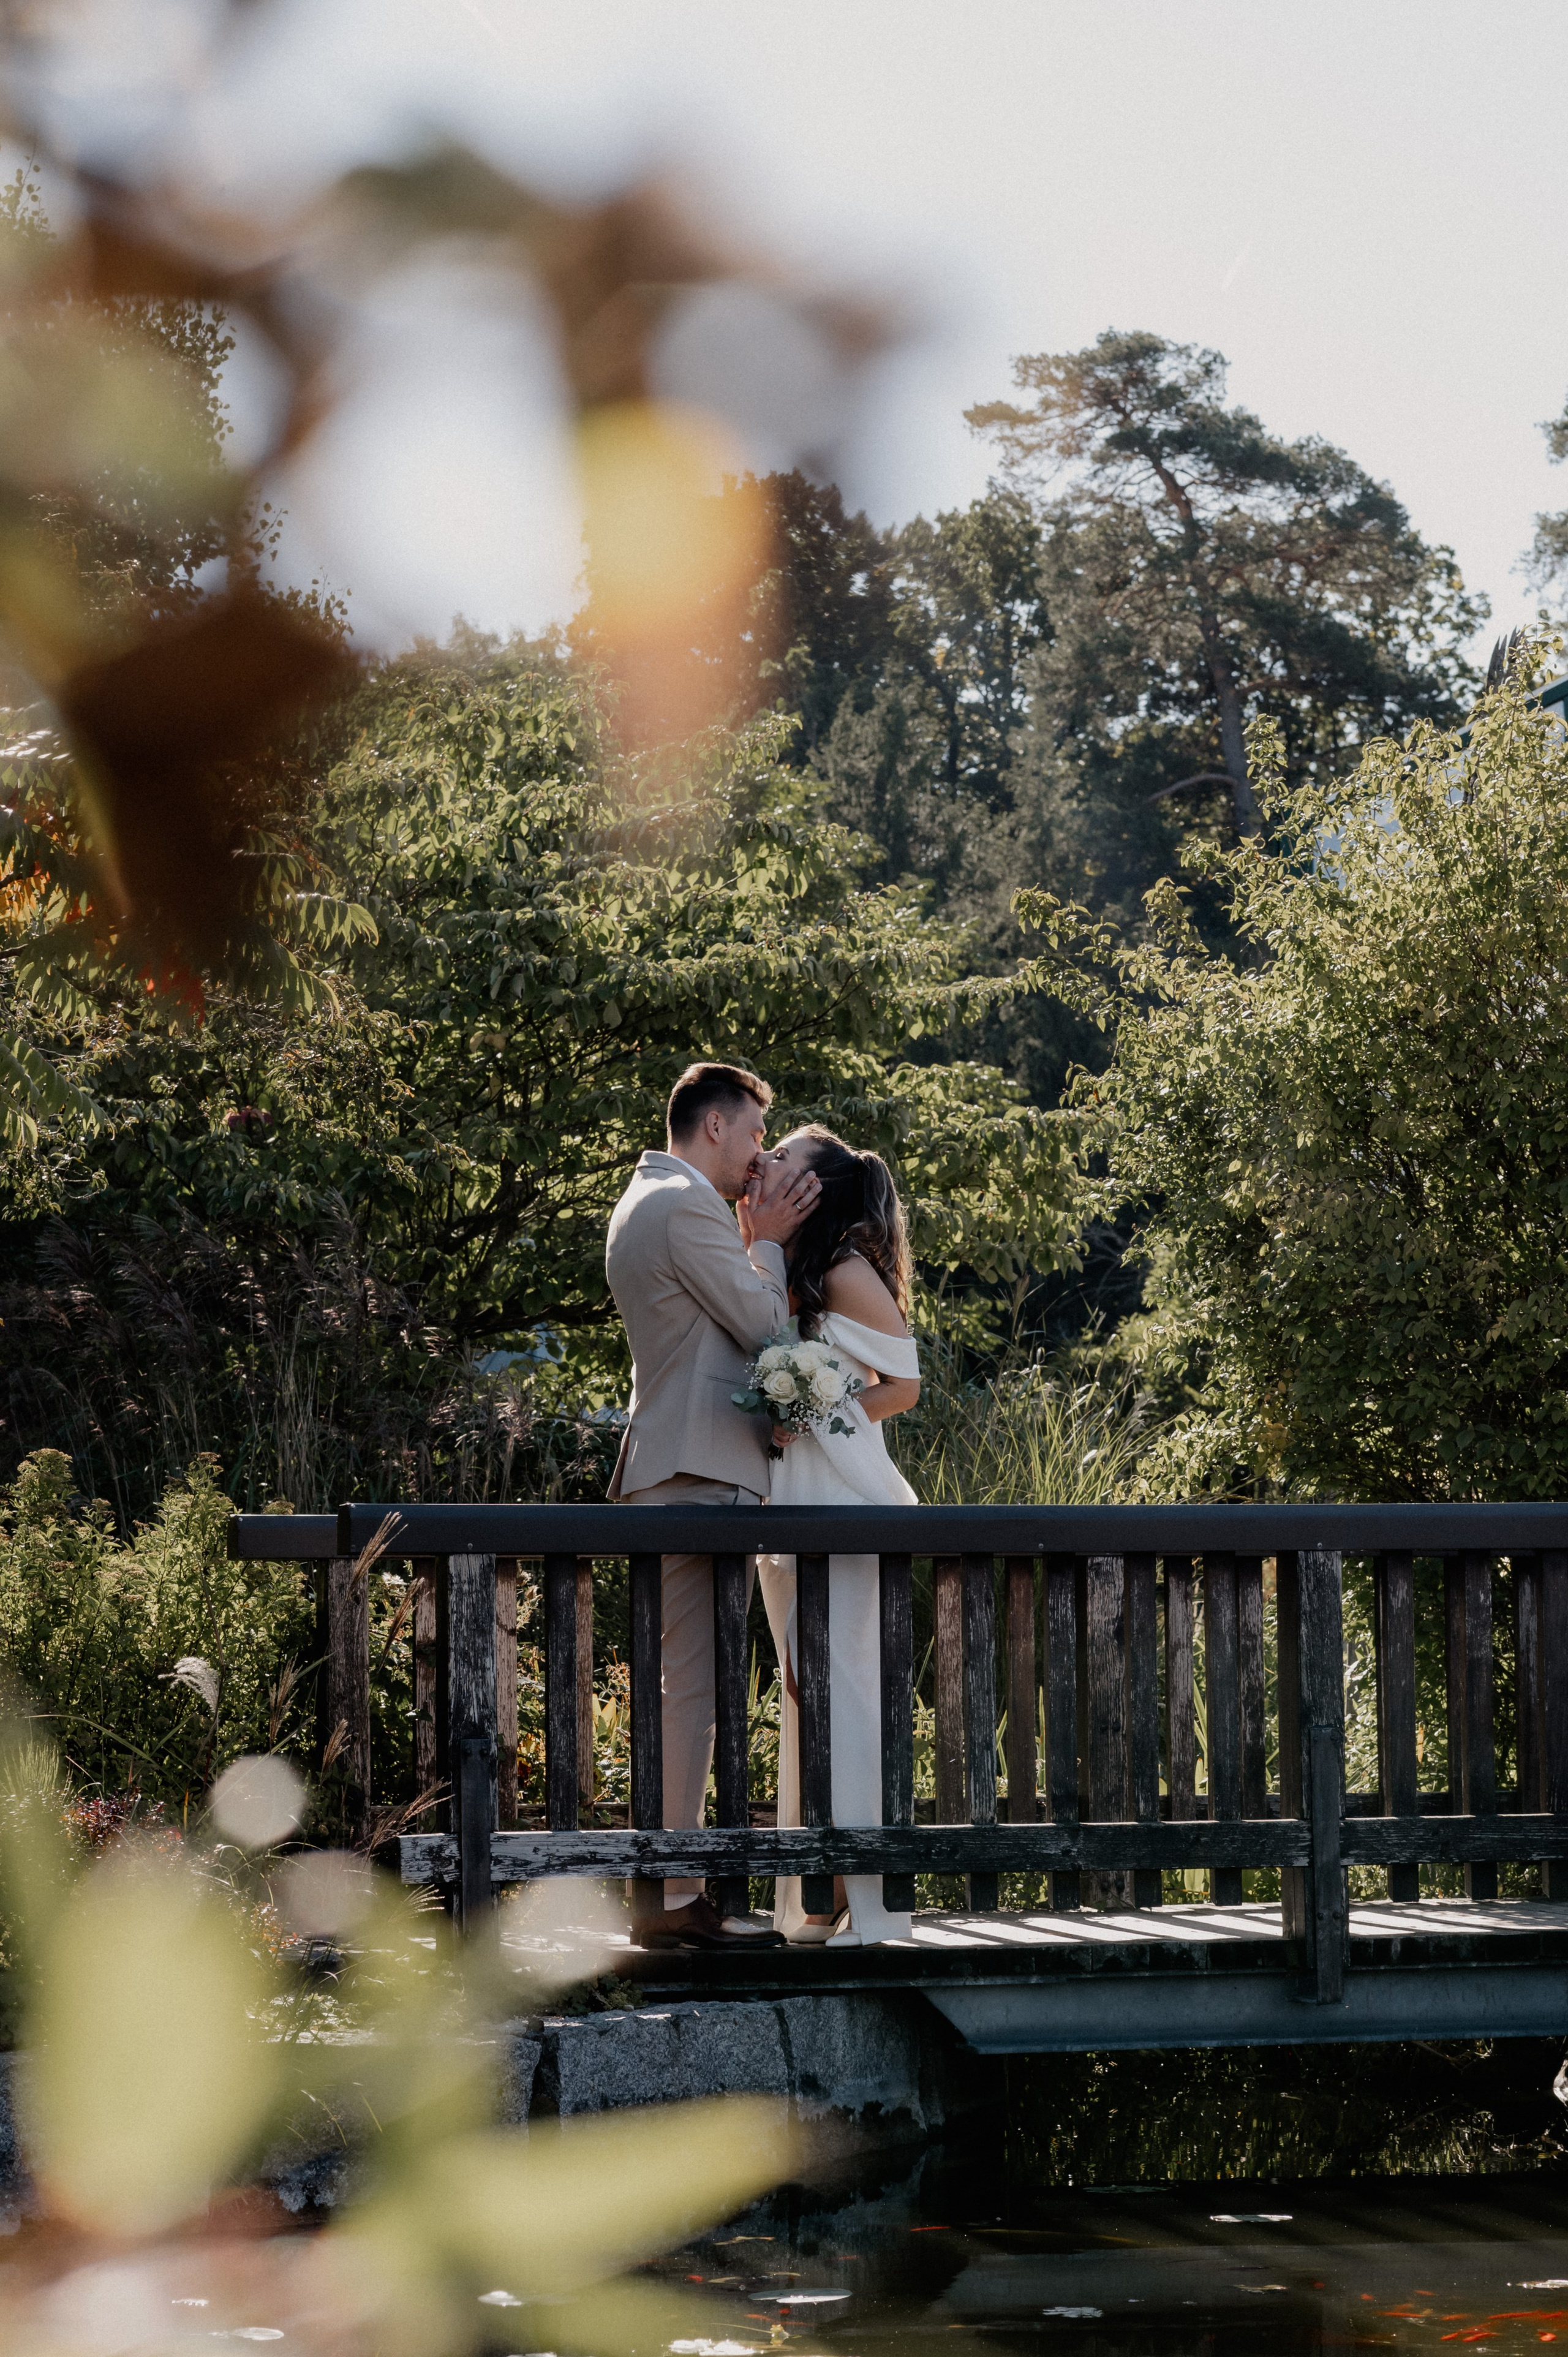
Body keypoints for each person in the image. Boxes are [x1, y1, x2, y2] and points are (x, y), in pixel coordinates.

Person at [606, 1060, 820, 1952]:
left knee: (682, 1692)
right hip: (694, 1477)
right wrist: (764, 1238)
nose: (762, 1151)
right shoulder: (684, 1204)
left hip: (674, 1466)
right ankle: (673, 1896)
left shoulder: (644, 1201)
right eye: (757, 1133)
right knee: (691, 1694)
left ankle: (670, 1889)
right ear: (717, 1128)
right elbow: (765, 1325)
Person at [755, 1124, 921, 1948]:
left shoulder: (848, 1271)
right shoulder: (789, 1268)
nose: (768, 1161)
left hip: (847, 1499)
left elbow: (907, 1386)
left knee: (847, 1700)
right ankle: (815, 1902)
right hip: (790, 1505)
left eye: (782, 1155)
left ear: (816, 1185)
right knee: (801, 1696)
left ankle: (876, 1904)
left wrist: (816, 1412)